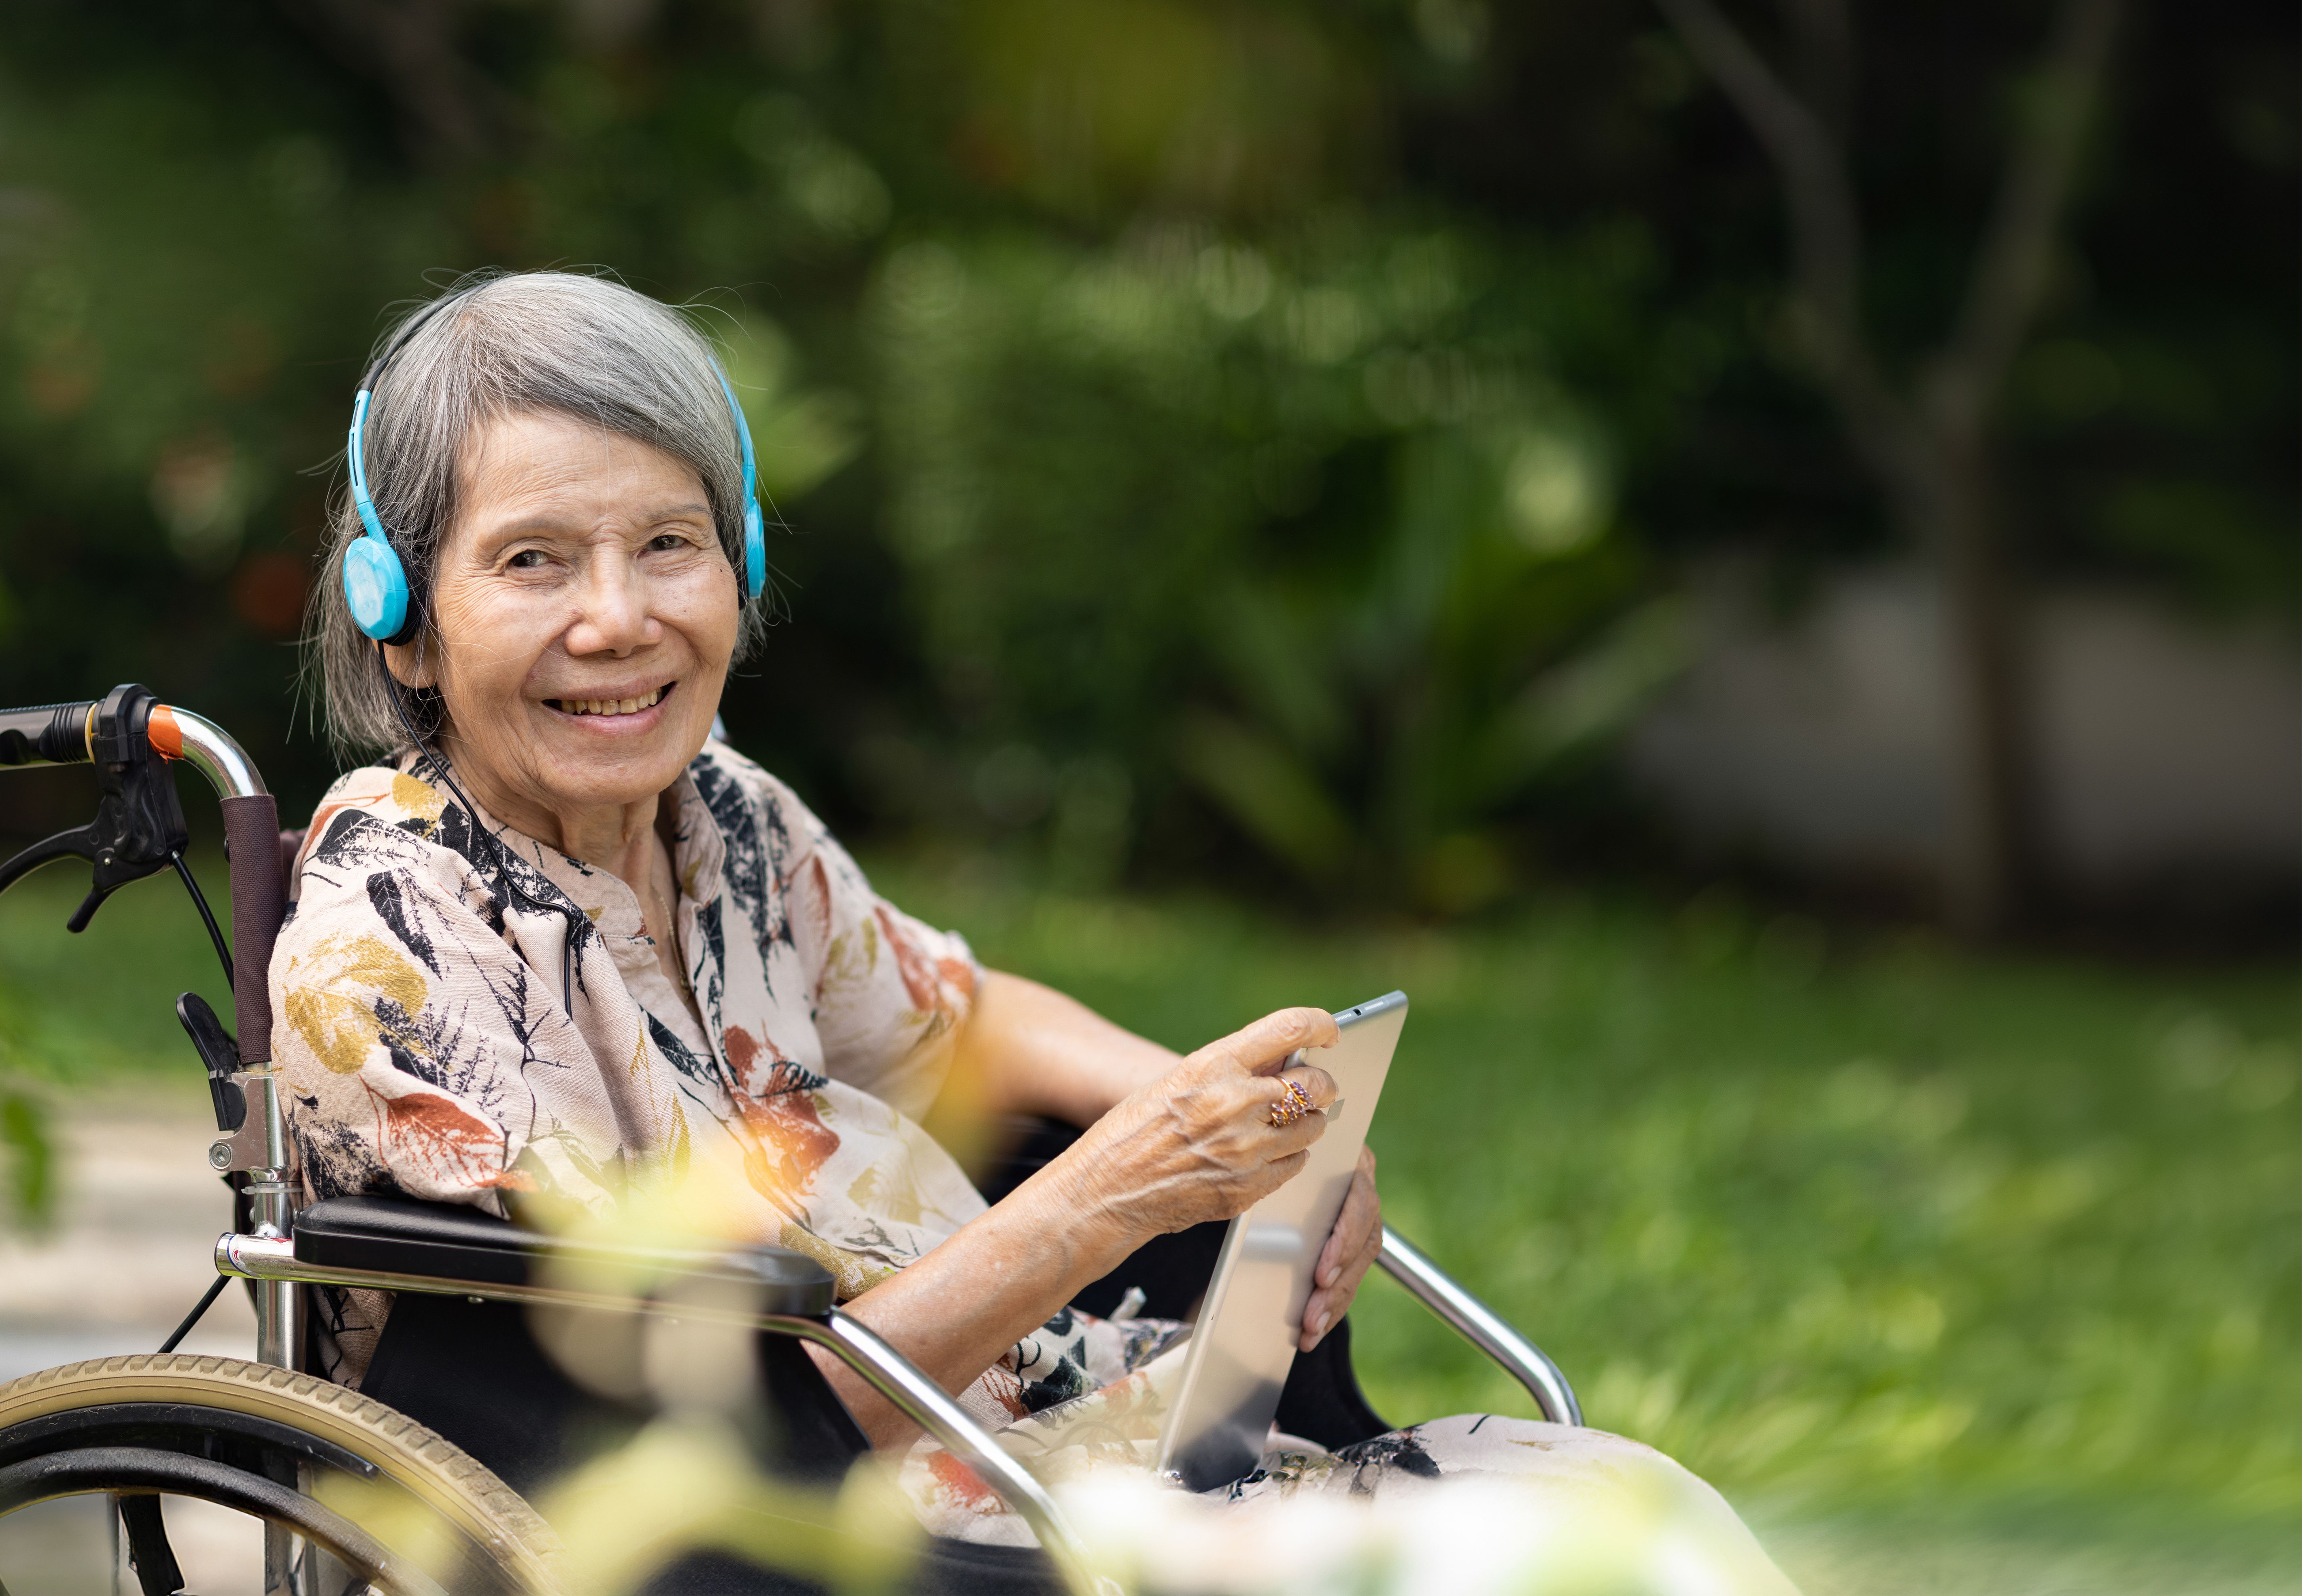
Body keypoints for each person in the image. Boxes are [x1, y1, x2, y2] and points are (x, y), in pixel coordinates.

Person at [274, 269, 1796, 1590]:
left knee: (1635, 1512)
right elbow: (699, 1429)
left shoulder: (724, 819)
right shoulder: (394, 944)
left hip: (1016, 1448)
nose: (619, 620)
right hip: (764, 1532)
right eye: (534, 561)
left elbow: (958, 1013)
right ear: (399, 609)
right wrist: (1109, 1199)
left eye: (669, 544)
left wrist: (1233, 1125)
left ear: (734, 562)